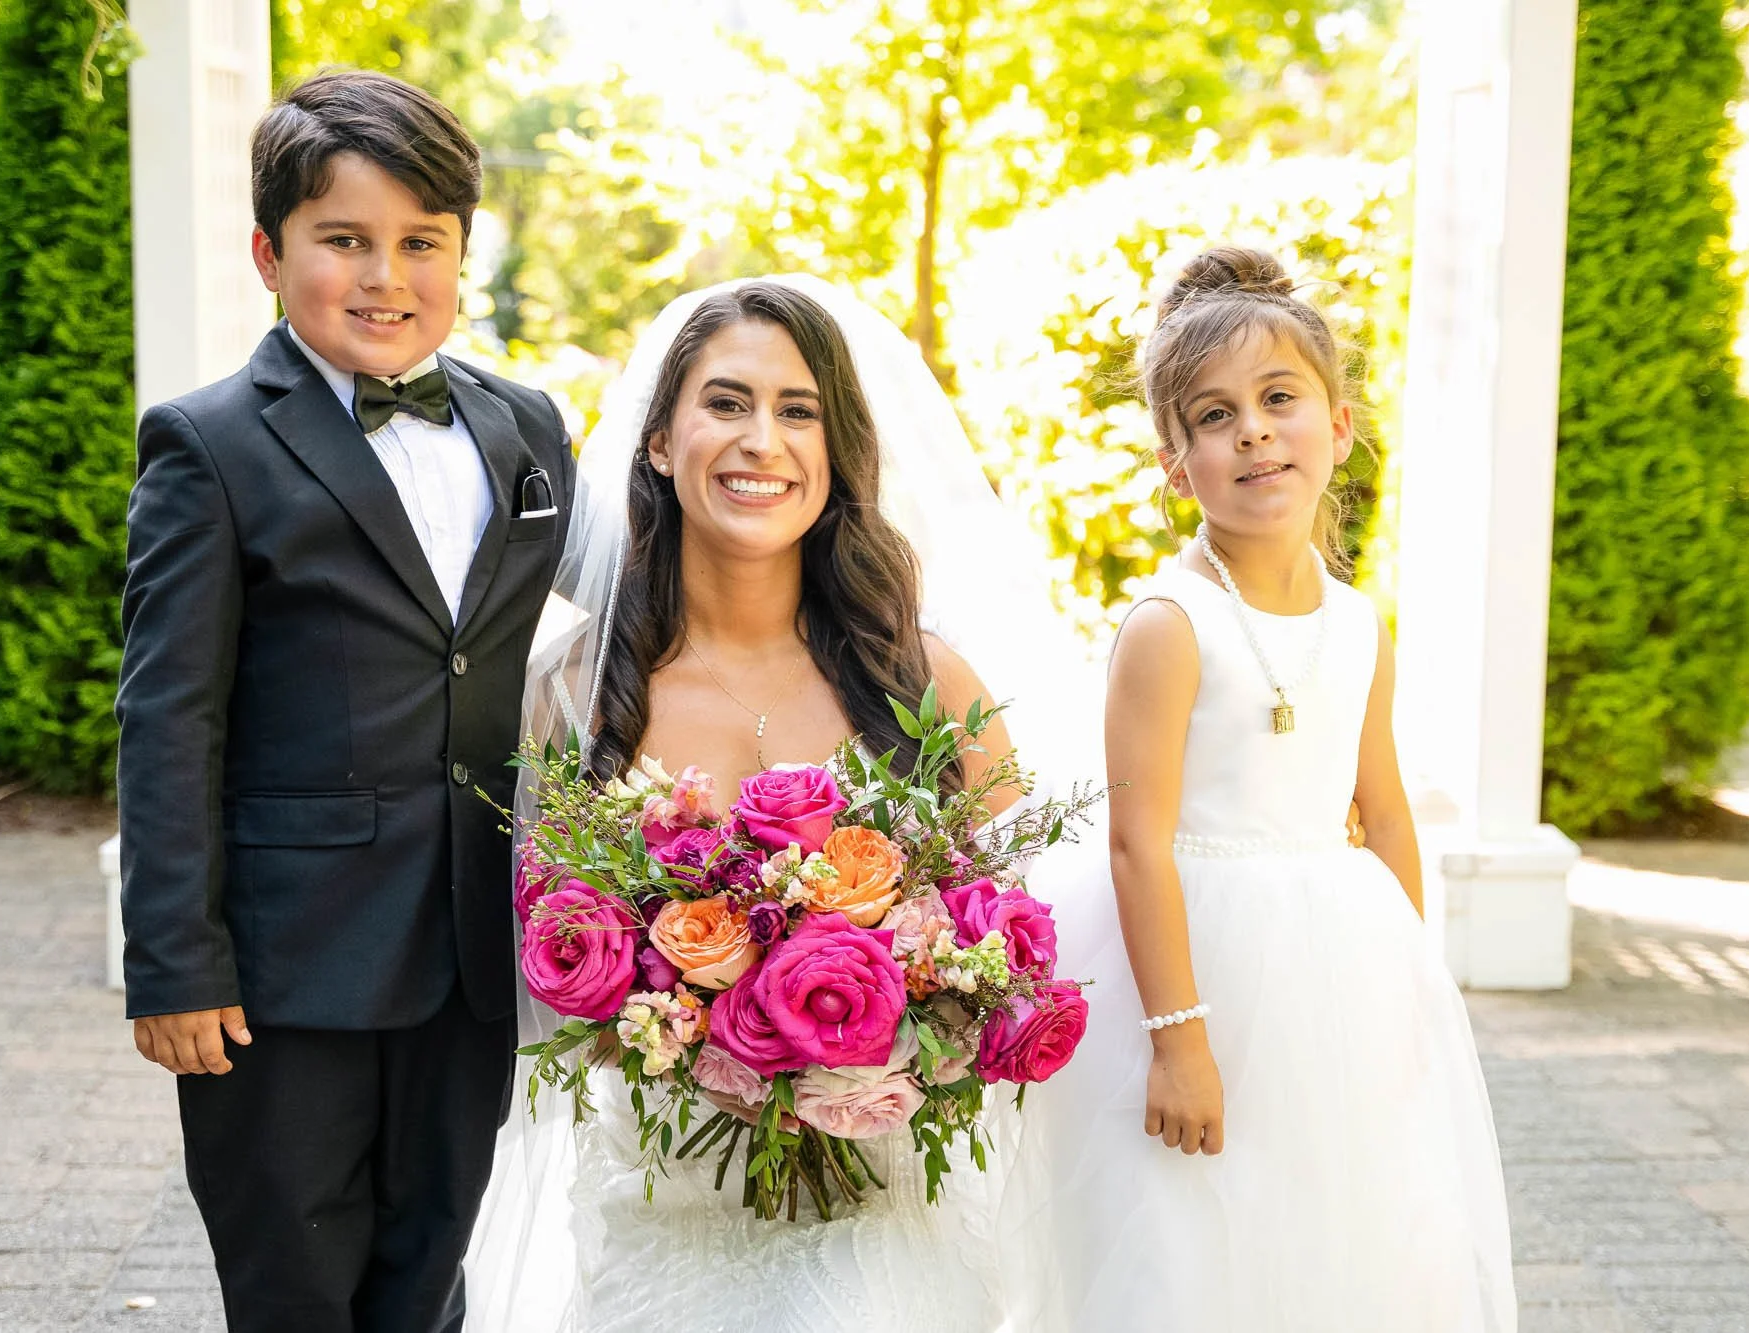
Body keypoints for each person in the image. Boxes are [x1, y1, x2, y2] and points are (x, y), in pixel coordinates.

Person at [466, 276, 1103, 1331]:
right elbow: (540, 966)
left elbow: (1021, 943)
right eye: (725, 403)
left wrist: (905, 1012)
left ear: (835, 453)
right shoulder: (569, 696)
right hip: (667, 1208)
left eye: (796, 410)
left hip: (884, 1213)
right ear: (661, 443)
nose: (761, 439)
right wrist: (698, 1022)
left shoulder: (929, 684)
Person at [114, 69, 575, 1332]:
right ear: (269, 253)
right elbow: (168, 718)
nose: (385, 277)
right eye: (344, 241)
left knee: (427, 1272)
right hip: (283, 967)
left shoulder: (526, 431)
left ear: (463, 256)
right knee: (294, 1284)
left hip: (470, 949)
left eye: (420, 242)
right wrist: (171, 961)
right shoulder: (208, 447)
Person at [1013, 247, 1516, 1330]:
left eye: (1278, 399)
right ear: (1173, 462)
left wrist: (1405, 999)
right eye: (1212, 414)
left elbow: (1378, 811)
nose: (1250, 429)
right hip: (1197, 960)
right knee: (1190, 1228)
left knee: (1343, 1221)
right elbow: (1135, 844)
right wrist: (1178, 1041)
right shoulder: (1166, 625)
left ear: (1335, 427)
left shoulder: (1357, 620)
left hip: (1333, 970)